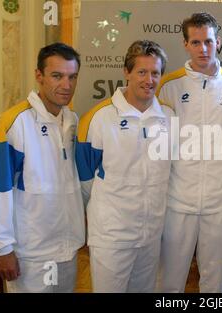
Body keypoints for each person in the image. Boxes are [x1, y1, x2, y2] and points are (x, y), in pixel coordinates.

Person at [0, 43, 85, 292]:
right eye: (57, 76)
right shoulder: (12, 124)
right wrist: (1, 248)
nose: (66, 85)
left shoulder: (72, 121)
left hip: (68, 249)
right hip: (31, 254)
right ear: (39, 75)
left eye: (72, 77)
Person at [155, 12, 222, 292]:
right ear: (185, 44)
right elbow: (158, 149)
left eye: (208, 41)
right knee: (169, 279)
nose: (203, 49)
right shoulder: (169, 87)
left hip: (219, 203)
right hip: (177, 203)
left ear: (218, 42)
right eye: (195, 42)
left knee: (214, 278)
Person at [76, 40, 172, 292]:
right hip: (112, 237)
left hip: (151, 236)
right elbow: (85, 181)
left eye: (155, 73)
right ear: (126, 72)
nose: (148, 80)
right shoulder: (98, 118)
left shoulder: (169, 118)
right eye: (141, 72)